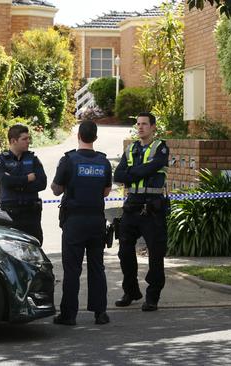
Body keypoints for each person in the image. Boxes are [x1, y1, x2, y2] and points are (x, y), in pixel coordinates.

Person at [51, 120, 112, 325]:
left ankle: (69, 315)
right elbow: (105, 192)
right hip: (96, 221)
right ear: (95, 137)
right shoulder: (104, 162)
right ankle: (100, 313)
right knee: (97, 267)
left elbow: (56, 189)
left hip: (74, 221)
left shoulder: (68, 160)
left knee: (72, 269)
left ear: (78, 135)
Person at [113, 112, 169, 312]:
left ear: (153, 127)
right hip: (132, 207)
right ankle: (131, 291)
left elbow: (151, 168)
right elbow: (117, 175)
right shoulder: (131, 149)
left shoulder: (160, 147)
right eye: (138, 124)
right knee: (124, 251)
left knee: (156, 254)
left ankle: (152, 296)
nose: (140, 127)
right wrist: (137, 173)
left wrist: (132, 174)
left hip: (152, 208)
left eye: (144, 124)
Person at [0, 124, 47, 243]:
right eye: (24, 139)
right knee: (10, 246)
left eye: (29, 138)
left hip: (31, 213)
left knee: (35, 243)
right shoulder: (2, 160)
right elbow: (5, 182)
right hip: (11, 212)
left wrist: (15, 182)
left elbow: (42, 183)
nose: (28, 141)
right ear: (13, 141)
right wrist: (27, 179)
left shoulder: (33, 159)